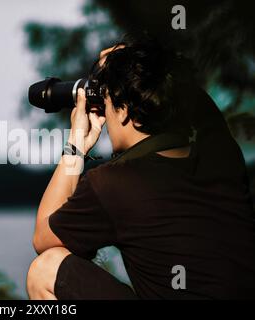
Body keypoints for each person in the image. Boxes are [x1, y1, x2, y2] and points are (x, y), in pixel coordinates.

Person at [26, 36, 255, 299]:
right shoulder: (222, 157)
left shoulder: (114, 182)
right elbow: (197, 102)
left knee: (46, 269)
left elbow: (43, 237)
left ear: (123, 111)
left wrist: (76, 144)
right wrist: (144, 69)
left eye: (109, 102)